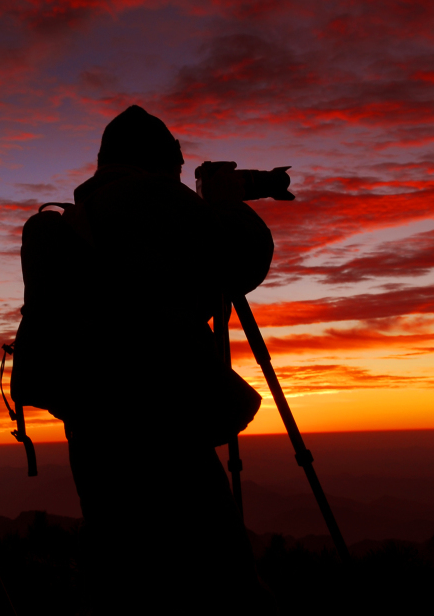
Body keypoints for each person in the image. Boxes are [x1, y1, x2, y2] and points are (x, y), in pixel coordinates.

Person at [61, 105, 274, 613]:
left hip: (92, 421)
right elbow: (241, 259)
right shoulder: (149, 197)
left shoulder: (80, 216)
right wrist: (224, 204)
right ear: (164, 162)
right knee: (214, 575)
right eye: (178, 168)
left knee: (123, 568)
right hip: (159, 418)